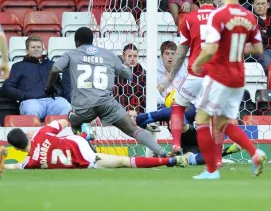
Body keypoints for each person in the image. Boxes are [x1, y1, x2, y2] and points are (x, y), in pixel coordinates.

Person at [46, 27, 168, 157]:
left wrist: (49, 87)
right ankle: (160, 150)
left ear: (76, 42)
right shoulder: (108, 54)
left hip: (84, 106)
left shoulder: (71, 54)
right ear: (92, 40)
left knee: (74, 120)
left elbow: (55, 69)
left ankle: (87, 148)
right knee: (133, 129)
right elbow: (127, 75)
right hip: (107, 104)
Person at [191, 0, 265, 180]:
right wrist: (237, 46)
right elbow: (258, 48)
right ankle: (255, 153)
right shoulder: (250, 17)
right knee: (224, 122)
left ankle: (211, 171)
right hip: (238, 78)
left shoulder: (219, 15)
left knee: (201, 119)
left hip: (219, 76)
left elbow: (211, 48)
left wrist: (197, 63)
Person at [0, 119, 187, 175]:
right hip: (80, 146)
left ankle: (169, 160)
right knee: (73, 135)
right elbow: (63, 122)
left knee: (124, 162)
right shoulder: (41, 133)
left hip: (85, 162)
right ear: (26, 135)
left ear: (16, 149)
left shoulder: (29, 163)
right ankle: (85, 133)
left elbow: (13, 166)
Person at [157, 0, 216, 156]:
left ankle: (176, 145)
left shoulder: (190, 18)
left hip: (196, 73)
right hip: (218, 75)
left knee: (178, 106)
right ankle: (217, 154)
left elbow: (181, 51)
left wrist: (168, 79)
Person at [136, 107, 241, 166]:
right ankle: (227, 151)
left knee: (178, 121)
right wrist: (148, 126)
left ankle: (175, 147)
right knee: (187, 160)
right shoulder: (169, 111)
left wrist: (145, 125)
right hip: (190, 144)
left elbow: (140, 119)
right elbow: (140, 118)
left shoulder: (189, 110)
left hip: (193, 135)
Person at [2, 35, 71, 120]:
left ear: (43, 49)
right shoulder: (18, 66)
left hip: (53, 101)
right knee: (31, 110)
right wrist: (24, 95)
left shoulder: (51, 64)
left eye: (39, 47)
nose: (36, 49)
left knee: (66, 107)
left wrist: (58, 92)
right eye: (33, 47)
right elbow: (6, 87)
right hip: (31, 101)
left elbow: (60, 84)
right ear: (26, 50)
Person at [114, 43, 146, 114]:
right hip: (119, 110)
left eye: (135, 56)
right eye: (129, 56)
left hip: (138, 111)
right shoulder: (115, 73)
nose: (132, 59)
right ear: (123, 56)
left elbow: (143, 96)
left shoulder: (143, 74)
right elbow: (114, 94)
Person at [157, 41, 187, 108]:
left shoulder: (184, 71)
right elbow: (154, 96)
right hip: (162, 105)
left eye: (173, 54)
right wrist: (168, 101)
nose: (170, 57)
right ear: (161, 56)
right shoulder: (155, 72)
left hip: (179, 105)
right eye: (167, 53)